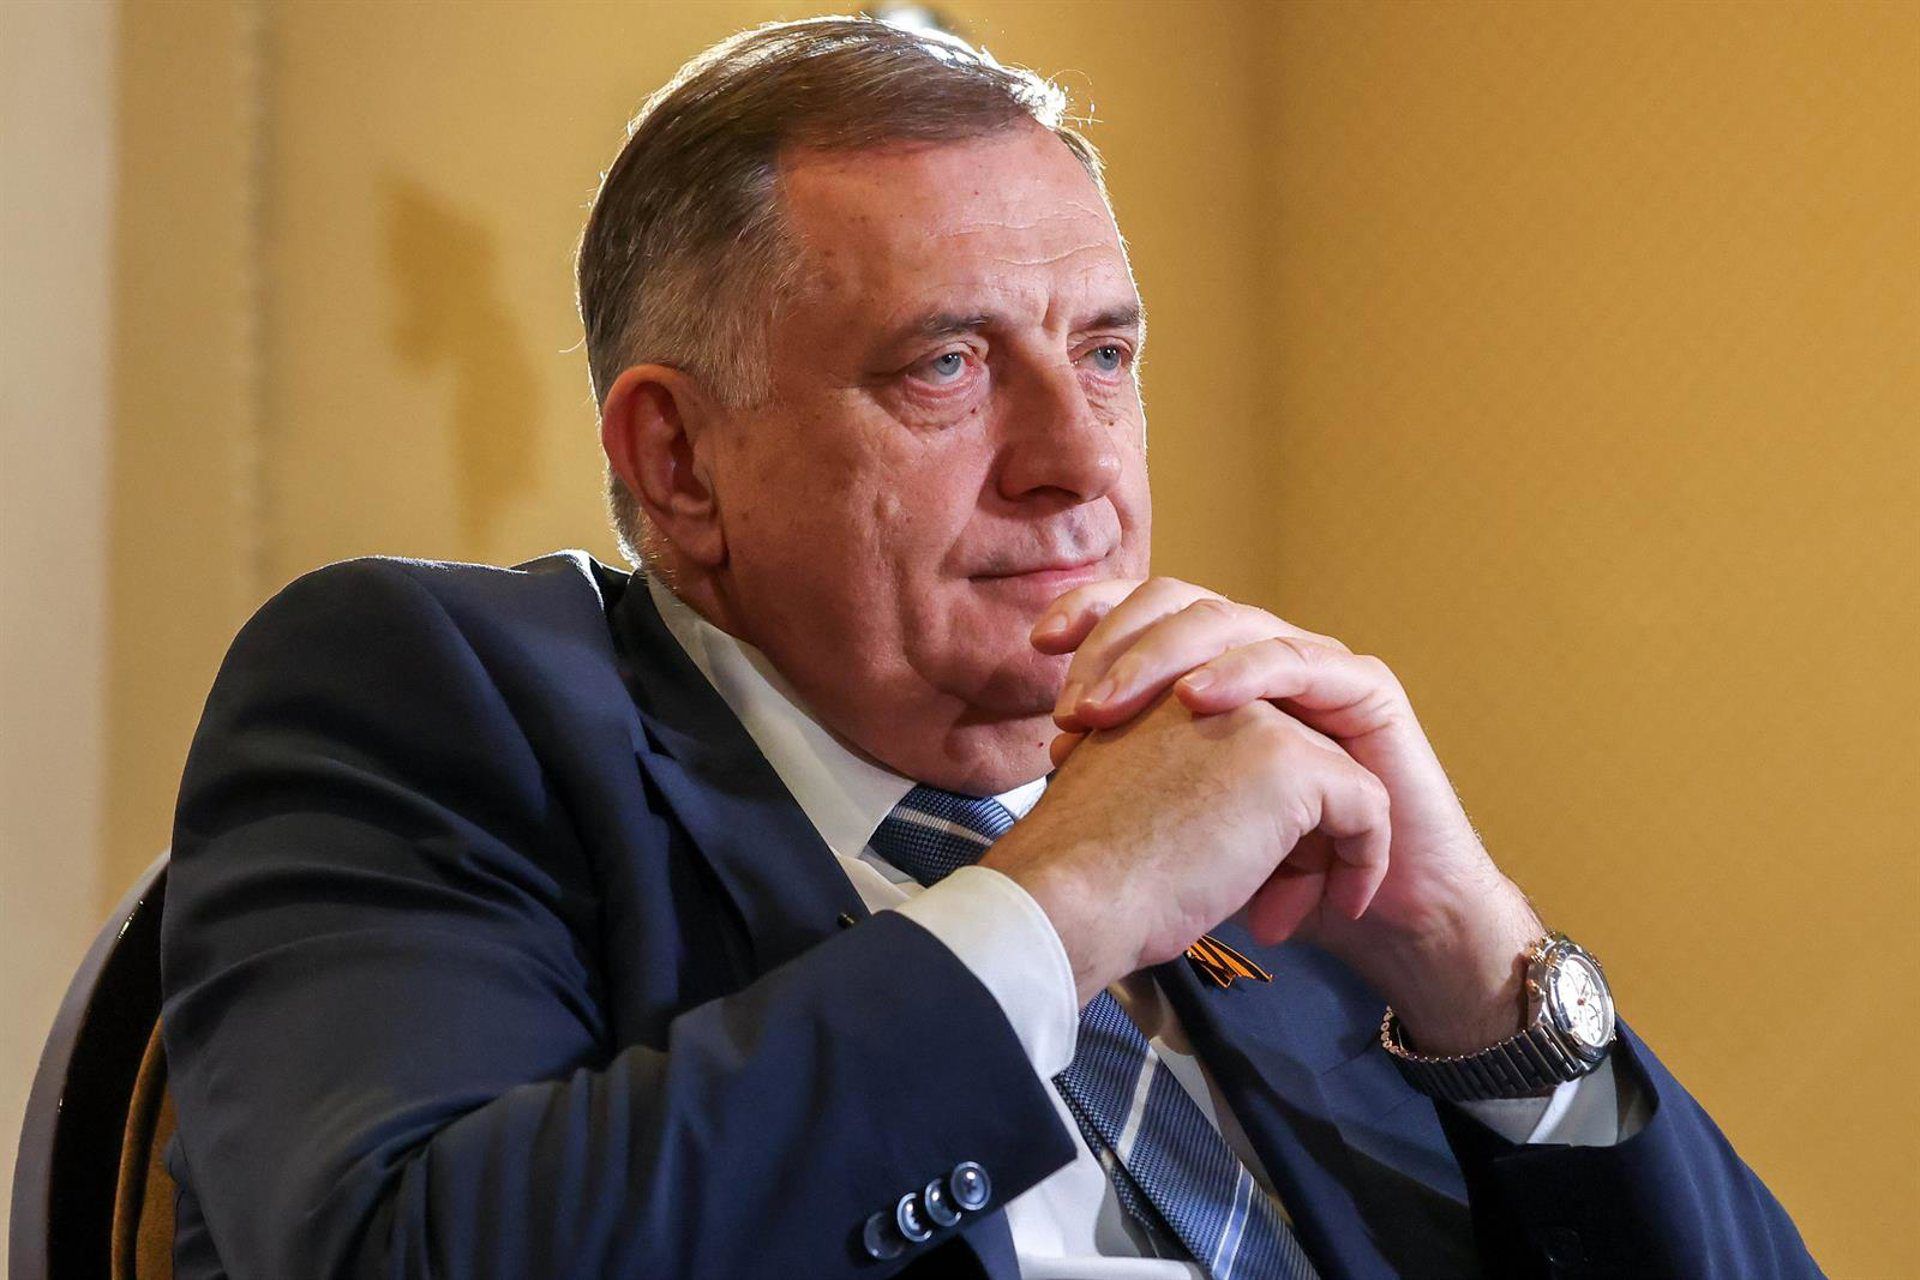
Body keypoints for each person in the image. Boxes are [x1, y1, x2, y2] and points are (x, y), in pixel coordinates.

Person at [160, 16, 1819, 1279]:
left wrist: (1477, 967)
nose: (1080, 464)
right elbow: (398, 1249)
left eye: (1105, 355)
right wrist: (1064, 903)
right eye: (945, 366)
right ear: (680, 464)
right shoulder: (442, 702)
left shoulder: (1262, 821)